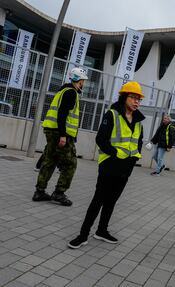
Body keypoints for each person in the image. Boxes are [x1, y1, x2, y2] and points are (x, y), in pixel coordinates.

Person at [68, 81, 145, 249]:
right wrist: (115, 154)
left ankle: (102, 230)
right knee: (98, 200)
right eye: (133, 97)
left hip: (126, 168)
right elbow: (101, 139)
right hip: (110, 165)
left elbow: (138, 142)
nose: (136, 102)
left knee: (112, 201)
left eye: (139, 99)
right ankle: (83, 235)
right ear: (124, 97)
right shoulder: (112, 114)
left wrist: (133, 160)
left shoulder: (138, 120)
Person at [32, 67, 88, 206]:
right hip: (60, 133)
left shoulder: (63, 90)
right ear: (79, 81)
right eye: (83, 80)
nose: (84, 83)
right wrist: (63, 135)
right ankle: (59, 193)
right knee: (70, 164)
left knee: (50, 160)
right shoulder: (71, 93)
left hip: (51, 130)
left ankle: (39, 191)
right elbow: (62, 114)